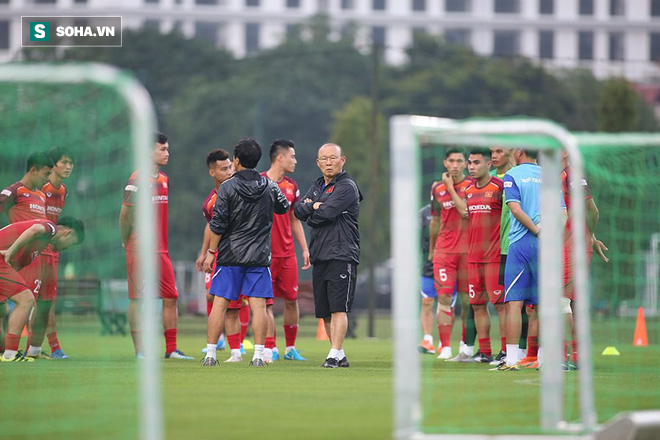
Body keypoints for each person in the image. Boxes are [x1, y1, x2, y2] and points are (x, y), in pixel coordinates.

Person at [202, 138, 289, 367]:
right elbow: (284, 207)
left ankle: (210, 355)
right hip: (259, 257)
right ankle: (259, 356)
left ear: (237, 160)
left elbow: (218, 223)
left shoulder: (228, 187)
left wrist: (212, 252)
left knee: (220, 304)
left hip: (230, 256)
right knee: (258, 306)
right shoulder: (270, 185)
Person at [119, 132, 193, 360]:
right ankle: (140, 350)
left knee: (171, 297)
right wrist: (126, 241)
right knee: (138, 299)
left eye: (167, 149)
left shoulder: (163, 179)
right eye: (162, 149)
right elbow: (125, 215)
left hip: (161, 250)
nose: (167, 153)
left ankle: (171, 349)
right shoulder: (136, 179)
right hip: (139, 249)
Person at [294, 143, 362, 368]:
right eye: (324, 158)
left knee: (338, 308)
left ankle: (333, 354)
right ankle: (339, 354)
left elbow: (328, 212)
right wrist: (315, 207)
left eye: (333, 158)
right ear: (318, 162)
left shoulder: (347, 187)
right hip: (320, 254)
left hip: (342, 253)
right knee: (324, 311)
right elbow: (297, 209)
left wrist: (312, 210)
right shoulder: (316, 186)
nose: (329, 162)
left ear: (343, 160)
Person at [498, 149, 566, 371]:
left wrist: (537, 231)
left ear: (518, 152)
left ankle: (511, 360)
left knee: (514, 303)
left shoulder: (512, 175)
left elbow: (515, 210)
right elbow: (563, 214)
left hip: (521, 245)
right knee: (544, 304)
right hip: (547, 246)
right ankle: (545, 361)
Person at [0, 216, 84, 362]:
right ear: (68, 233)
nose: (67, 248)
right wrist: (10, 251)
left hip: (4, 264)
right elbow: (34, 230)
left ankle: (4, 353)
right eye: (72, 243)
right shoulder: (50, 228)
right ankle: (10, 354)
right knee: (26, 299)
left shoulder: (39, 246)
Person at [261, 139, 311, 362]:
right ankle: (270, 346)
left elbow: (294, 219)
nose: (295, 161)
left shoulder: (292, 186)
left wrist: (304, 249)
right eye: (292, 156)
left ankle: (290, 348)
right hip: (264, 255)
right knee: (266, 302)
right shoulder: (260, 182)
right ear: (279, 157)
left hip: (288, 254)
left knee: (292, 300)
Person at [0, 151, 53, 356]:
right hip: (10, 254)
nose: (47, 179)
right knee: (21, 301)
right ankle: (11, 352)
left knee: (32, 301)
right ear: (33, 170)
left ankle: (22, 350)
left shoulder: (40, 196)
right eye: (46, 174)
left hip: (30, 256)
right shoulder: (13, 191)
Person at [27, 147, 75, 359]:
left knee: (48, 302)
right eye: (64, 162)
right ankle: (35, 348)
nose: (68, 167)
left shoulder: (63, 191)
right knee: (31, 301)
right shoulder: (41, 187)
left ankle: (44, 349)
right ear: (53, 165)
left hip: (53, 252)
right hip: (37, 251)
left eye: (71, 163)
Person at [561, 153, 608, 369]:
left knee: (561, 301)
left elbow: (593, 210)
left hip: (572, 246)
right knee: (574, 302)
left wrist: (589, 236)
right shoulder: (555, 175)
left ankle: (561, 358)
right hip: (568, 244)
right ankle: (578, 357)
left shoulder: (572, 175)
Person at [428, 148, 474, 361]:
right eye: (451, 161)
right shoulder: (436, 188)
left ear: (465, 164)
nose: (455, 165)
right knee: (444, 298)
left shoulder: (472, 186)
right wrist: (432, 249)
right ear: (445, 163)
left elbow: (465, 211)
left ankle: (465, 344)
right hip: (445, 252)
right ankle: (445, 346)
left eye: (459, 161)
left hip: (468, 251)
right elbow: (435, 220)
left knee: (467, 301)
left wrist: (450, 187)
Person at [463, 149, 505, 363]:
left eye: (476, 162)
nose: (471, 166)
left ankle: (507, 351)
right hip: (473, 258)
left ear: (489, 165)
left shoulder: (499, 187)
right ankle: (485, 352)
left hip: (494, 258)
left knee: (500, 305)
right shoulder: (468, 190)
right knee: (478, 305)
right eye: (469, 162)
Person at [489, 146, 524, 365]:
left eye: (499, 150)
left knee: (521, 303)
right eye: (491, 151)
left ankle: (525, 352)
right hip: (501, 248)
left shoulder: (515, 176)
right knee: (507, 301)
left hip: (517, 246)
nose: (494, 155)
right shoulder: (489, 179)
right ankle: (511, 351)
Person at [418, 203, 438, 354]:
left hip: (450, 260)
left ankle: (446, 343)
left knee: (447, 303)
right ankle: (427, 340)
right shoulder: (424, 213)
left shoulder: (455, 208)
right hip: (428, 263)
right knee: (426, 301)